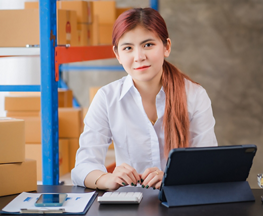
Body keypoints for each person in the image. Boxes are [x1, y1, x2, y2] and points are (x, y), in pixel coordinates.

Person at [71, 8, 218, 191]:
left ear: (167, 47)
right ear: (117, 55)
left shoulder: (195, 95)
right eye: (128, 48)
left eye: (148, 45)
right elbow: (83, 167)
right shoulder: (107, 98)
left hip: (181, 202)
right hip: (129, 203)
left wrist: (171, 178)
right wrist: (107, 179)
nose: (139, 57)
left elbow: (208, 166)